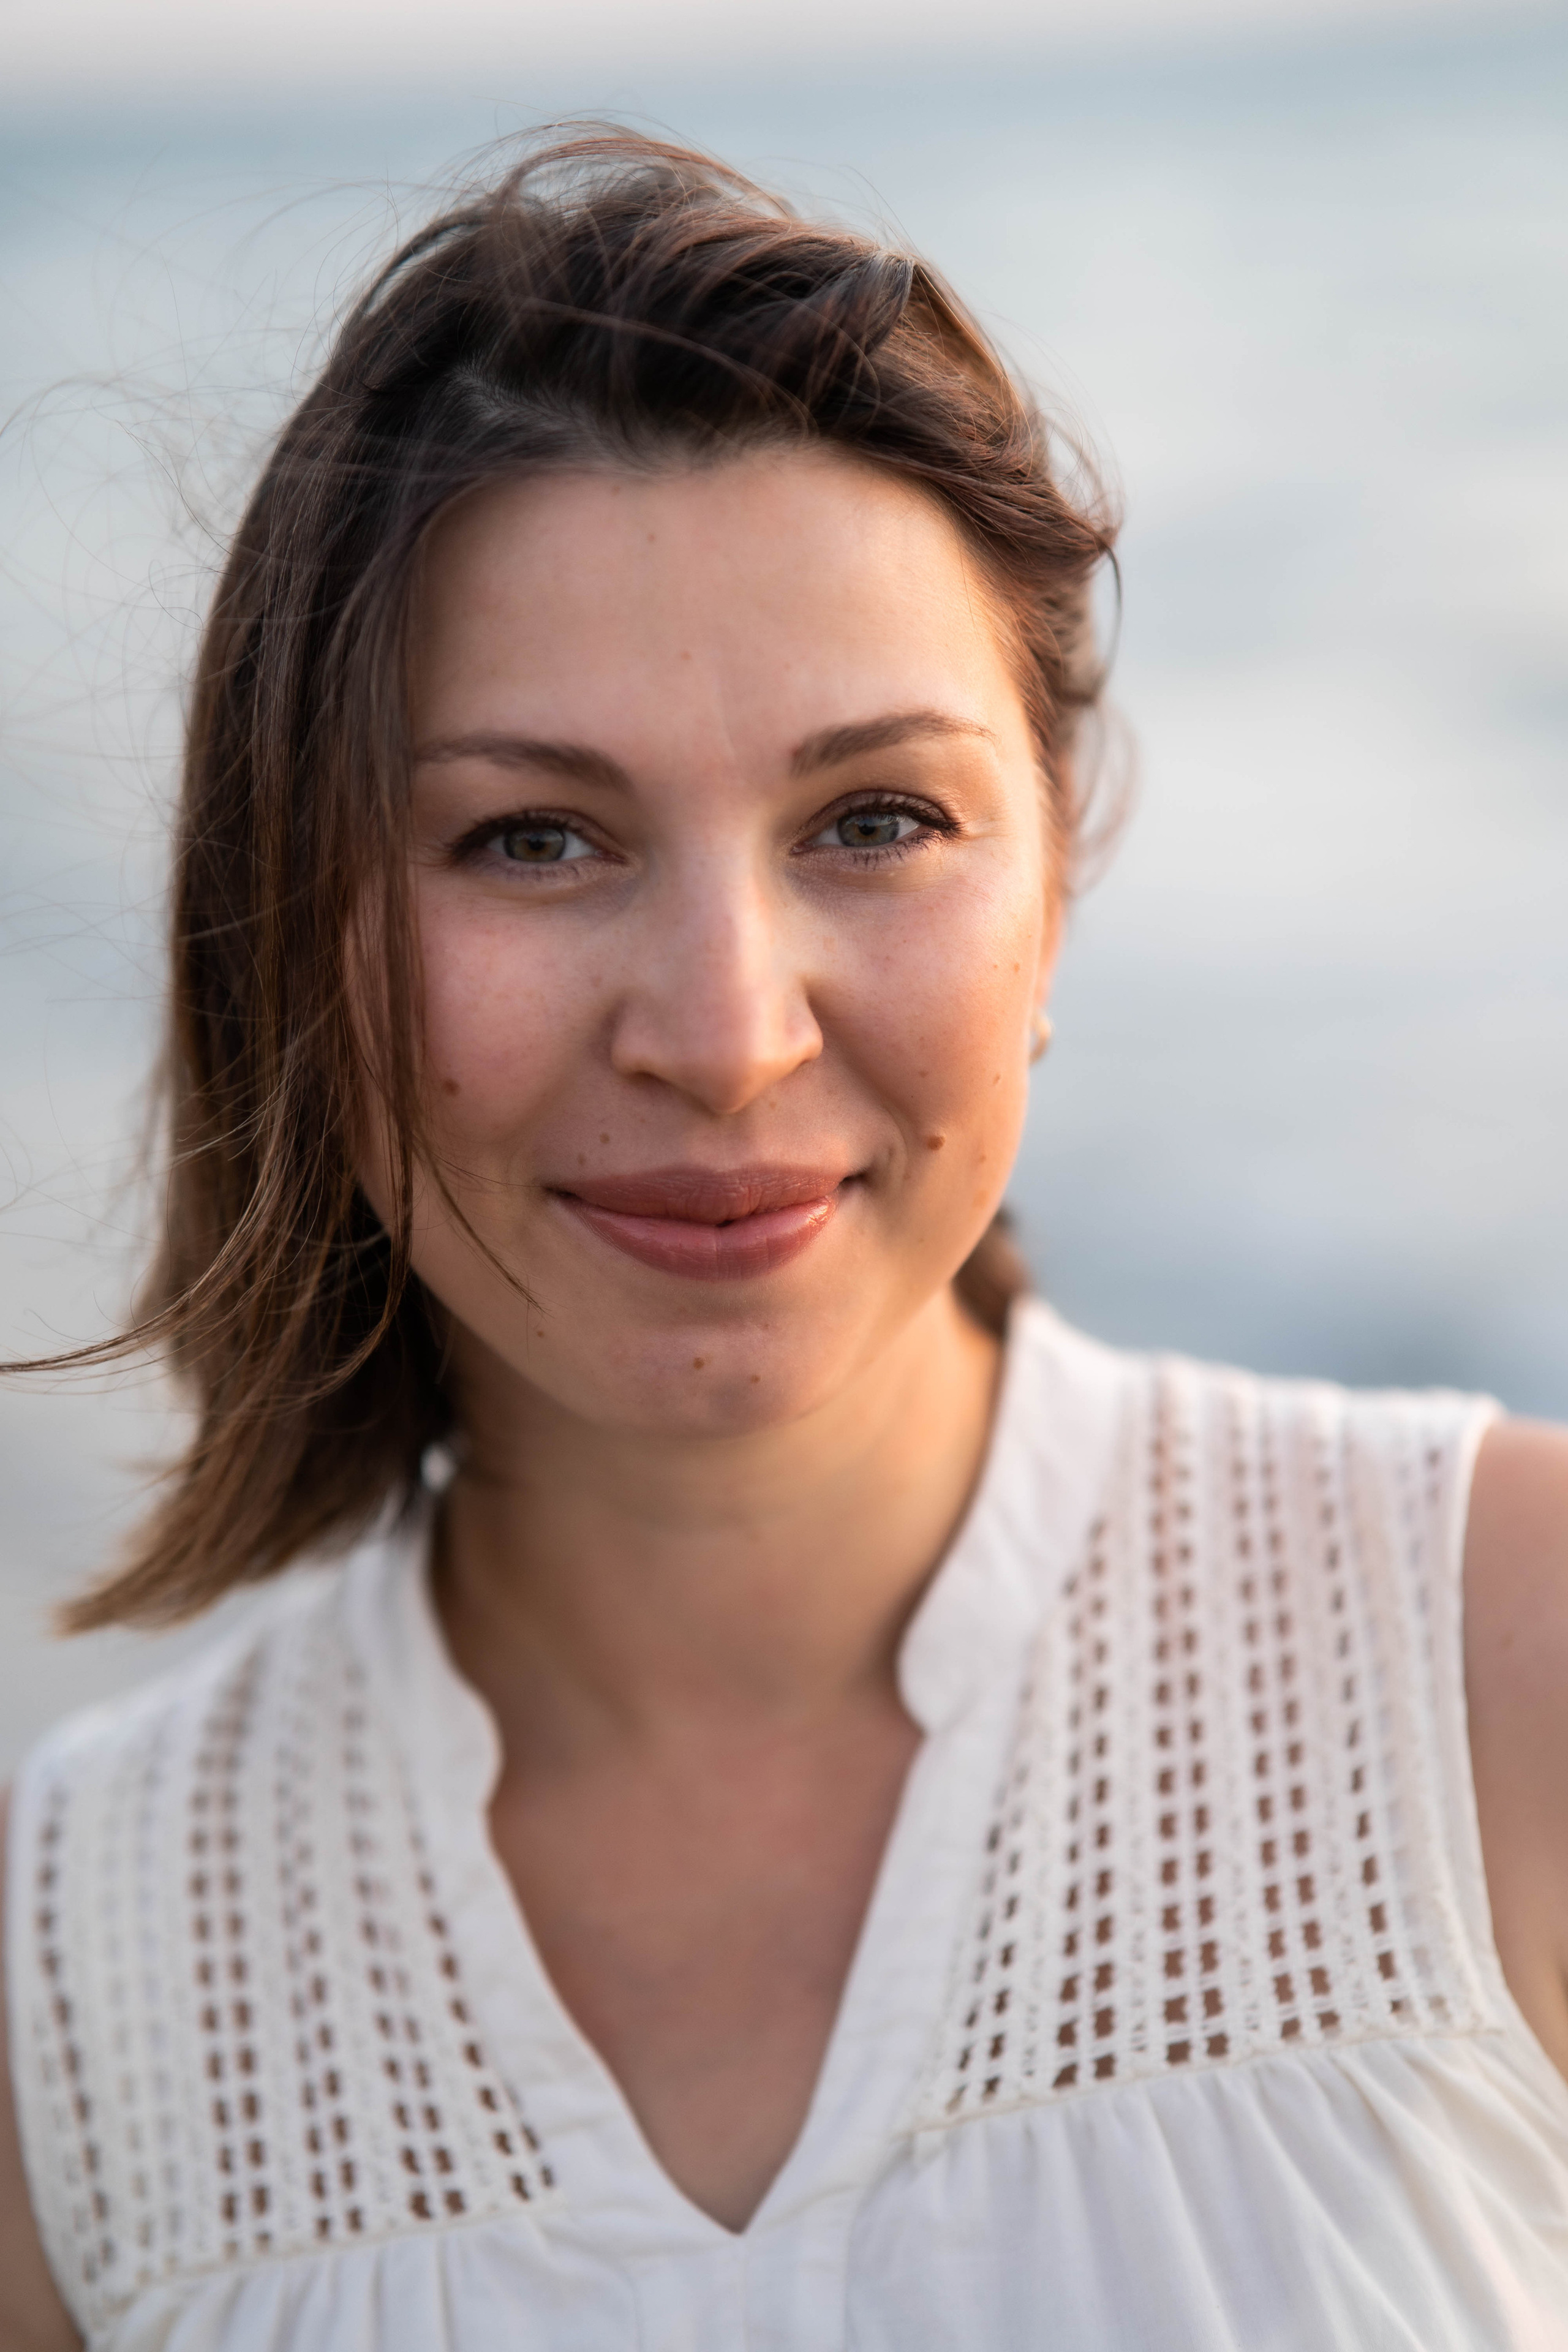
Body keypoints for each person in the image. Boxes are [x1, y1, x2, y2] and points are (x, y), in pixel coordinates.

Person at [3, 126, 1567, 2352]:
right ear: (284, 932)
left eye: (876, 821)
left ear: (1054, 882)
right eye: (532, 838)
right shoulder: (65, 1990)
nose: (728, 1037)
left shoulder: (1507, 1672)